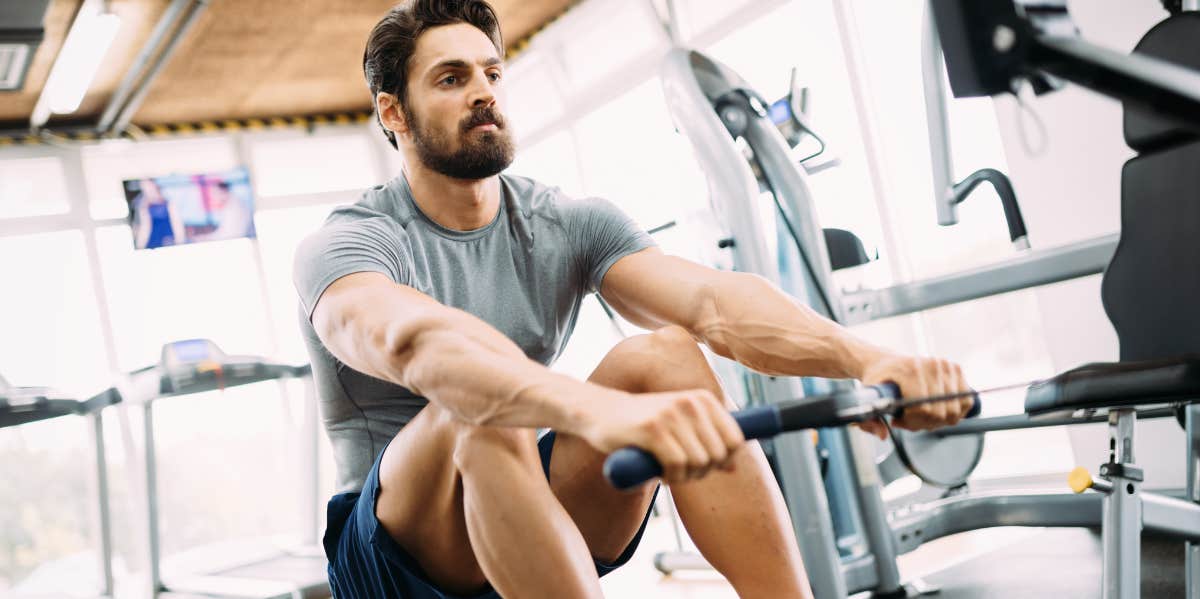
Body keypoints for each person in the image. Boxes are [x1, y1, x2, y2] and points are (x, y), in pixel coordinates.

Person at [292, 2, 975, 597]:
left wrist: (873, 360)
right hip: (393, 552)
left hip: (524, 494)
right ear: (393, 111)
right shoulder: (352, 244)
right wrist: (602, 411)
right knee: (483, 402)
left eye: (491, 73)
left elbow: (713, 302)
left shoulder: (564, 222)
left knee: (666, 358)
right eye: (451, 78)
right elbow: (416, 345)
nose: (483, 92)